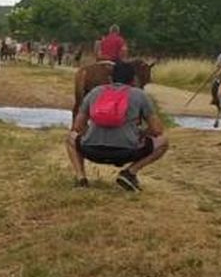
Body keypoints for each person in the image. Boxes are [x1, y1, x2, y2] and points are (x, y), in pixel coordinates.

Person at [66, 60, 167, 191]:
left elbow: (77, 127)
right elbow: (157, 130)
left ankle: (81, 179)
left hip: (92, 150)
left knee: (70, 138)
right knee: (163, 141)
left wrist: (90, 134)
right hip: (127, 152)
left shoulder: (95, 92)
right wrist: (141, 134)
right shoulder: (139, 95)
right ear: (133, 80)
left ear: (109, 78)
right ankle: (130, 173)